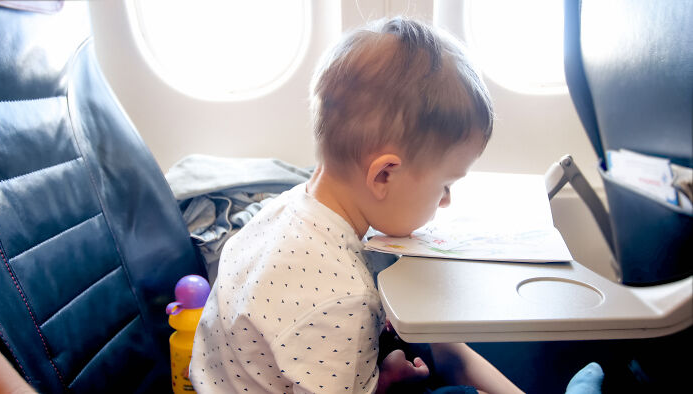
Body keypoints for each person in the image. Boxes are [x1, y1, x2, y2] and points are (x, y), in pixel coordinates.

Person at [190, 17, 601, 394]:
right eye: (444, 185)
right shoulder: (338, 299)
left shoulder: (283, 210)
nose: (446, 201)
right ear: (385, 175)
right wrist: (384, 383)